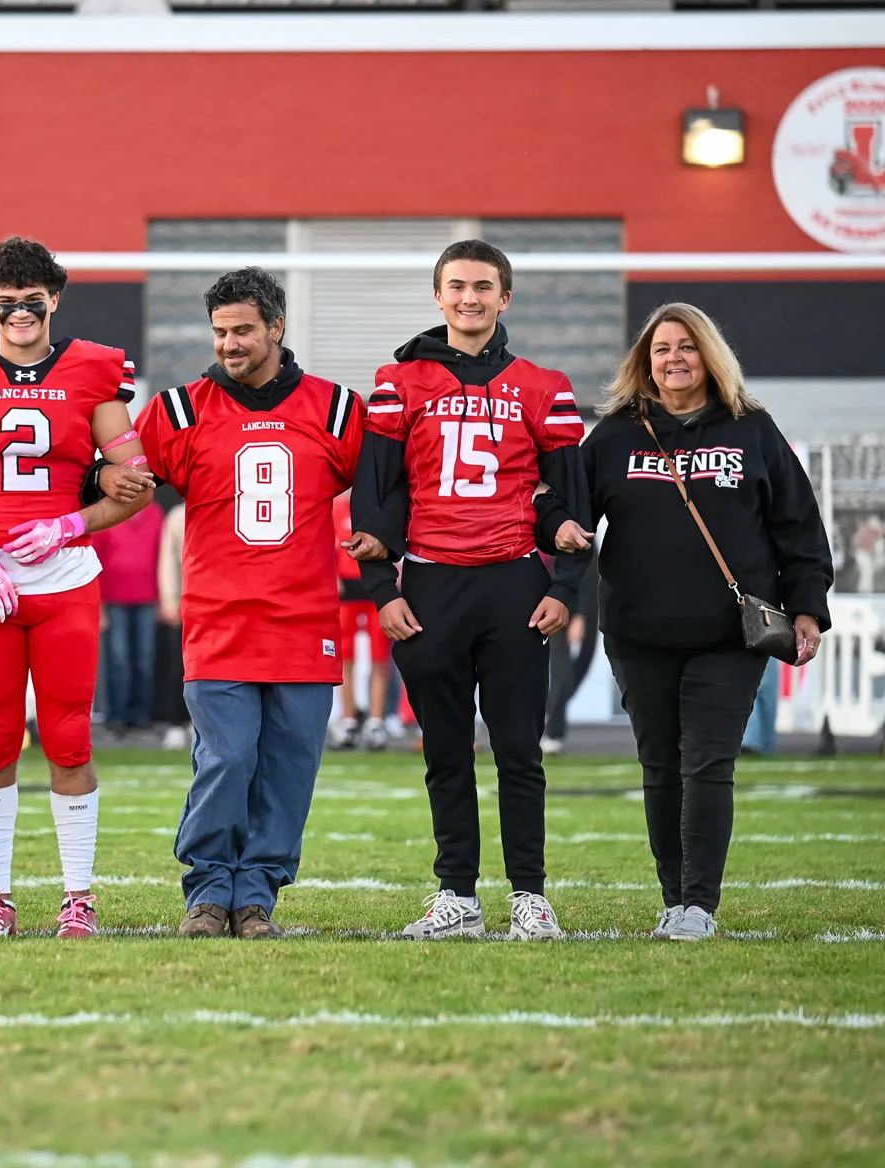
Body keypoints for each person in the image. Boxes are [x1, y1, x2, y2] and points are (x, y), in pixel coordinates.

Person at [541, 302, 830, 941]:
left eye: (687, 347)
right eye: (661, 348)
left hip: (730, 635)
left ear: (710, 355)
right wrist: (554, 529)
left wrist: (807, 606)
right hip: (640, 632)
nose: (674, 359)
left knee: (708, 765)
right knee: (660, 767)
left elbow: (798, 525)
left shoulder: (752, 428)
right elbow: (566, 510)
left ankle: (699, 905)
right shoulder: (615, 434)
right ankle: (674, 899)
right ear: (645, 361)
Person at [346, 240, 593, 941]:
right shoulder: (399, 381)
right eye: (457, 286)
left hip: (515, 579)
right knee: (445, 750)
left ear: (504, 298)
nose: (469, 298)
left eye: (484, 286)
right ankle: (457, 895)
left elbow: (570, 507)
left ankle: (530, 897)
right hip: (429, 582)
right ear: (437, 296)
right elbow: (380, 495)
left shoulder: (545, 385)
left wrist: (566, 587)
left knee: (520, 748)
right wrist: (380, 587)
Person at [0, 236, 153, 939]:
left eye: (33, 298)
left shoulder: (95, 369)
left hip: (66, 578)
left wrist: (71, 522)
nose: (20, 311)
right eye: (7, 299)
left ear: (55, 298)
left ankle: (78, 896)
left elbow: (135, 484)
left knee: (70, 738)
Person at [135, 267, 365, 938]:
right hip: (219, 618)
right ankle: (208, 891)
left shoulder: (336, 409)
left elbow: (386, 488)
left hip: (304, 619)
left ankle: (257, 893)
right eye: (219, 332)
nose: (229, 344)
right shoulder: (180, 410)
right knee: (227, 758)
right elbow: (119, 478)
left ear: (276, 328)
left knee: (289, 769)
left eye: (241, 330)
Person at [94, 498, 163, 733]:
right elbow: (97, 561)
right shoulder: (108, 513)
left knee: (145, 659)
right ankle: (117, 715)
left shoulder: (155, 514)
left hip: (148, 598)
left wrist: (166, 598)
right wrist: (99, 605)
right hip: (114, 600)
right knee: (119, 659)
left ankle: (141, 715)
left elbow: (161, 558)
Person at [330, 490, 392, 751]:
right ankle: (348, 719)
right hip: (347, 590)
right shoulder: (335, 508)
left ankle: (375, 720)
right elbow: (325, 544)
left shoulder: (375, 506)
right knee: (346, 658)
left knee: (379, 657)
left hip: (374, 588)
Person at [541, 556, 599, 755]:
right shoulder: (571, 528)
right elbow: (572, 571)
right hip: (563, 605)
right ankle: (553, 731)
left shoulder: (591, 534)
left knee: (580, 666)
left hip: (591, 606)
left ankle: (549, 711)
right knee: (562, 670)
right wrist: (579, 614)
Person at [154, 497, 190, 751]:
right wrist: (170, 599)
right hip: (188, 601)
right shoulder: (178, 515)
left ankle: (198, 721)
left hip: (223, 603)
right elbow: (168, 560)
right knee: (180, 665)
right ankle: (176, 722)